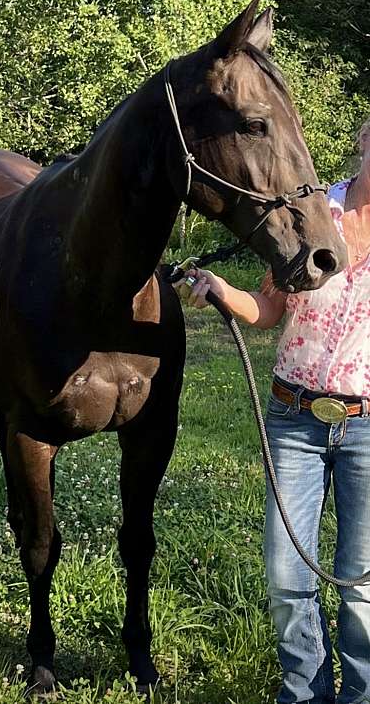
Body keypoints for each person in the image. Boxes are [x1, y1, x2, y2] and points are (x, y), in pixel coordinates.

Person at [179, 119, 370, 704]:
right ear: (362, 140)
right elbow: (267, 308)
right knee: (289, 581)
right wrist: (216, 286)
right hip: (295, 420)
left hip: (368, 425)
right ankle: (304, 694)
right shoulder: (313, 213)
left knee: (363, 587)